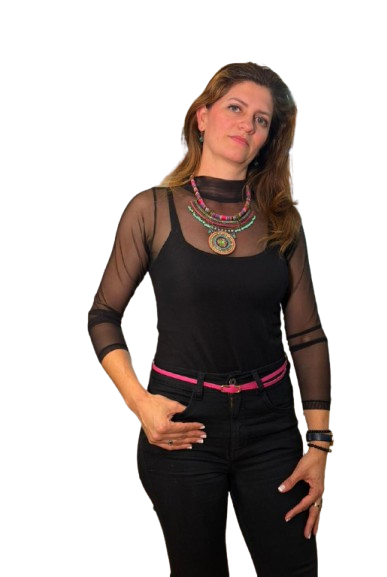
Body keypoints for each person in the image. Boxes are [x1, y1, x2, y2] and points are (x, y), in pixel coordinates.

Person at [87, 61, 332, 577]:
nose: (248, 125)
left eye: (262, 120)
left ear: (268, 139)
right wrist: (141, 405)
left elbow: (307, 335)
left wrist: (319, 445)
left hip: (270, 426)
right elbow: (103, 314)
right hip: (181, 424)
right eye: (236, 108)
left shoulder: (282, 219)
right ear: (202, 117)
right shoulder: (151, 210)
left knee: (294, 570)